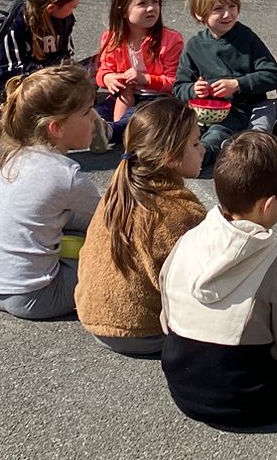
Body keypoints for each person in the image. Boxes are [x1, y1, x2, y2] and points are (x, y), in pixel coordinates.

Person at [159, 131, 277, 427]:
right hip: (248, 401)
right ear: (268, 204)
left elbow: (166, 321)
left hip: (183, 388)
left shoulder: (188, 240)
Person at [75, 99, 207, 357]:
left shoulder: (118, 192)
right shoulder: (182, 212)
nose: (203, 150)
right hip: (144, 331)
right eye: (195, 144)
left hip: (94, 319)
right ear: (170, 157)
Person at [0, 65, 102, 321]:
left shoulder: (17, 156)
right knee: (111, 255)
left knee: (72, 225)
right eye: (87, 111)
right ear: (56, 128)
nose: (94, 118)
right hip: (38, 295)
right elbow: (109, 219)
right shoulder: (66, 175)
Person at [173, 0, 277, 170]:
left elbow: (273, 75)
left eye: (232, 6)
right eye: (218, 9)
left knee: (218, 133)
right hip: (200, 111)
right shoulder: (195, 45)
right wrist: (193, 89)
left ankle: (202, 155)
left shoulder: (246, 38)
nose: (227, 14)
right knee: (177, 129)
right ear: (199, 14)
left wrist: (238, 84)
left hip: (237, 108)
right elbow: (179, 87)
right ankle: (171, 154)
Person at [93, 0, 184, 147]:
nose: (151, 8)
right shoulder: (111, 38)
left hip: (156, 98)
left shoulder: (171, 40)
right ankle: (96, 130)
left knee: (137, 116)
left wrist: (145, 79)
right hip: (123, 95)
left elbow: (175, 82)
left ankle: (110, 132)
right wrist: (108, 78)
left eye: (155, 2)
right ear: (122, 10)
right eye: (142, 4)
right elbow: (103, 70)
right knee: (97, 111)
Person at [0, 0, 86, 102]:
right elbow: (10, 69)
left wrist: (66, 69)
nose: (73, 11)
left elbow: (64, 53)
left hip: (49, 78)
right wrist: (47, 74)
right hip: (20, 84)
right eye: (73, 6)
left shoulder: (65, 19)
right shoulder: (17, 23)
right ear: (51, 8)